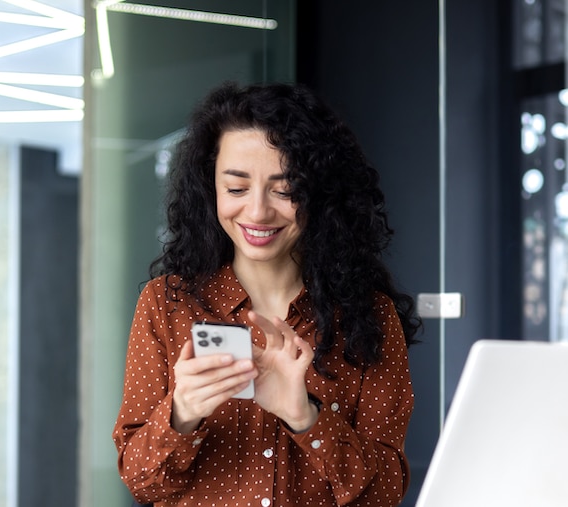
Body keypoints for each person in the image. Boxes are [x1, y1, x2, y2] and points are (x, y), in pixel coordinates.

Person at [112, 81, 421, 507]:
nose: (257, 211)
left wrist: (305, 417)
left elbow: (385, 494)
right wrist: (181, 413)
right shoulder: (167, 304)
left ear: (320, 192)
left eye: (285, 189)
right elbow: (141, 481)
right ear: (210, 189)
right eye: (236, 188)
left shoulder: (370, 316)